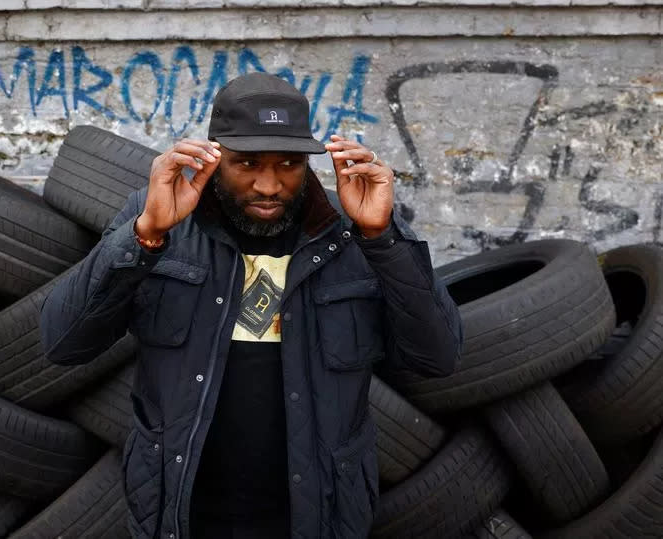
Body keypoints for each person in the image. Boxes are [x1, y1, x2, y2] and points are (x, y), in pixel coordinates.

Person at [40, 72, 462, 539]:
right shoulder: (160, 220)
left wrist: (381, 240)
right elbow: (63, 342)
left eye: (287, 164)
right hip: (180, 514)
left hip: (319, 518)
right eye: (247, 164)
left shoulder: (355, 234)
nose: (268, 185)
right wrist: (146, 236)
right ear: (214, 157)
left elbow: (438, 357)